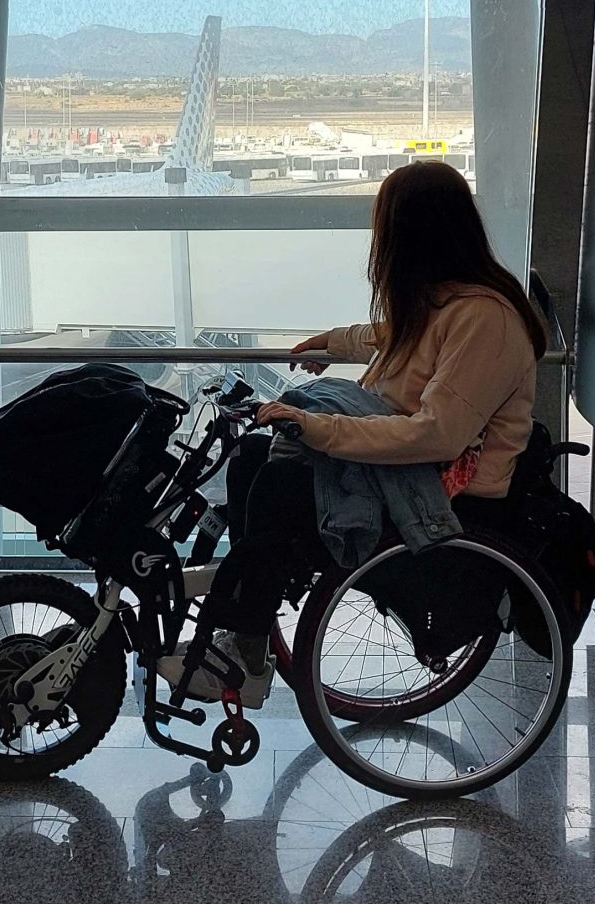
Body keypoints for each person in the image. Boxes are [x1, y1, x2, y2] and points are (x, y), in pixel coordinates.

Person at [158, 160, 545, 706]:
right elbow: (404, 337)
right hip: (410, 471)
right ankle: (250, 621)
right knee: (250, 455)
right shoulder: (450, 301)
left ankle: (244, 645)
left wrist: (319, 427)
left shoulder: (487, 319)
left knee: (278, 487)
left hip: (446, 493)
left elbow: (436, 435)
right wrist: (336, 343)